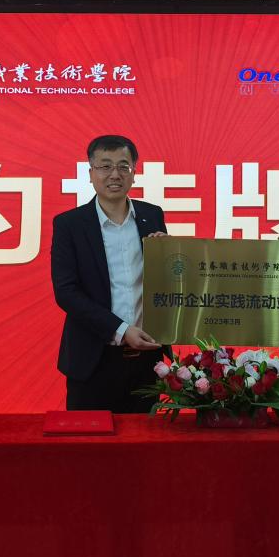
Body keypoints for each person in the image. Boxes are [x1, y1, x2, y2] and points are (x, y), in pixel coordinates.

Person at [51, 135, 168, 412]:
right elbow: (66, 292)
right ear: (91, 173)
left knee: (145, 437)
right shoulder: (70, 225)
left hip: (147, 361)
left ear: (134, 173)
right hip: (92, 360)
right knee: (90, 438)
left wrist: (169, 256)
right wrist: (122, 329)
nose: (115, 174)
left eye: (123, 166)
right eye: (105, 166)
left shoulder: (152, 215)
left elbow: (165, 283)